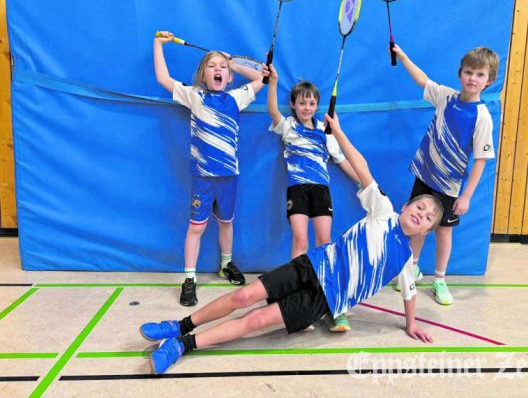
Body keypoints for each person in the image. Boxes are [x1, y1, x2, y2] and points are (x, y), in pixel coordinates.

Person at [140, 111, 444, 375]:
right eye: (420, 208)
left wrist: (412, 324)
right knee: (244, 297)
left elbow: (410, 294)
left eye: (429, 217)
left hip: (324, 301)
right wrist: (337, 131)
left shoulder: (405, 260)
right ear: (406, 207)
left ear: (427, 231)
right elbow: (362, 169)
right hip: (311, 266)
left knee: (256, 319)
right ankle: (180, 325)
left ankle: (182, 345)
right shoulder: (383, 210)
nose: (422, 214)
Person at [154, 31, 268, 306]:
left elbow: (260, 79)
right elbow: (162, 79)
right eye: (212, 66)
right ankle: (189, 279)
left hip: (229, 176)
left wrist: (234, 63)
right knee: (197, 227)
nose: (218, 70)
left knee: (227, 223)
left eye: (223, 68)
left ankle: (226, 264)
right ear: (203, 74)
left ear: (228, 77)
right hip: (203, 178)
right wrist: (158, 44)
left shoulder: (236, 97)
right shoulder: (194, 95)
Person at [391, 44, 498, 305]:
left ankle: (439, 279)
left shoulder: (482, 116)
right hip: (424, 176)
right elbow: (422, 80)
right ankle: (413, 267)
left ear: (489, 81)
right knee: (418, 225)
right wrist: (403, 55)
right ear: (460, 73)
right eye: (469, 72)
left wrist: (466, 197)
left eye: (480, 75)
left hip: (449, 187)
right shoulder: (446, 97)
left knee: (442, 233)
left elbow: (481, 161)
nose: (473, 78)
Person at [266, 64, 360, 332]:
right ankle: (294, 293)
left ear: (318, 105)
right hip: (297, 189)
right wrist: (273, 83)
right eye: (302, 103)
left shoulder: (325, 132)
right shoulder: (287, 127)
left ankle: (330, 298)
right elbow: (272, 110)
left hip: (320, 191)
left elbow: (343, 162)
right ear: (294, 106)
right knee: (300, 240)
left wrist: (365, 183)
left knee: (324, 243)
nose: (307, 107)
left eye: (312, 103)